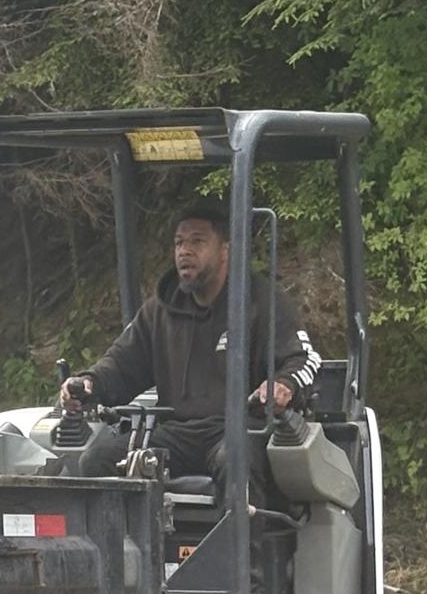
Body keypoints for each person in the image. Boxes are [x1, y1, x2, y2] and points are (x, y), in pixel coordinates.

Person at [58, 198, 320, 480]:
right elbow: (121, 364)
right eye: (179, 242)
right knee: (98, 459)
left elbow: (302, 359)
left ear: (225, 250)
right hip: (177, 434)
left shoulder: (262, 302)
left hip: (242, 430)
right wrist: (89, 383)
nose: (185, 251)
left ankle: (246, 524)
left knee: (235, 460)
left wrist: (283, 384)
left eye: (197, 241)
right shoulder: (160, 310)